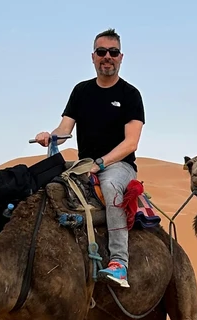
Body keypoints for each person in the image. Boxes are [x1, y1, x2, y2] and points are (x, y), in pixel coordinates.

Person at [35, 29, 144, 289]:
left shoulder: (130, 95)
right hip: (84, 165)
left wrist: (102, 163)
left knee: (109, 187)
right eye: (101, 52)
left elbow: (131, 142)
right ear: (93, 57)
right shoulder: (81, 91)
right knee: (46, 184)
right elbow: (65, 130)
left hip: (119, 166)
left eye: (113, 52)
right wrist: (49, 136)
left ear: (121, 57)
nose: (107, 57)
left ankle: (120, 262)